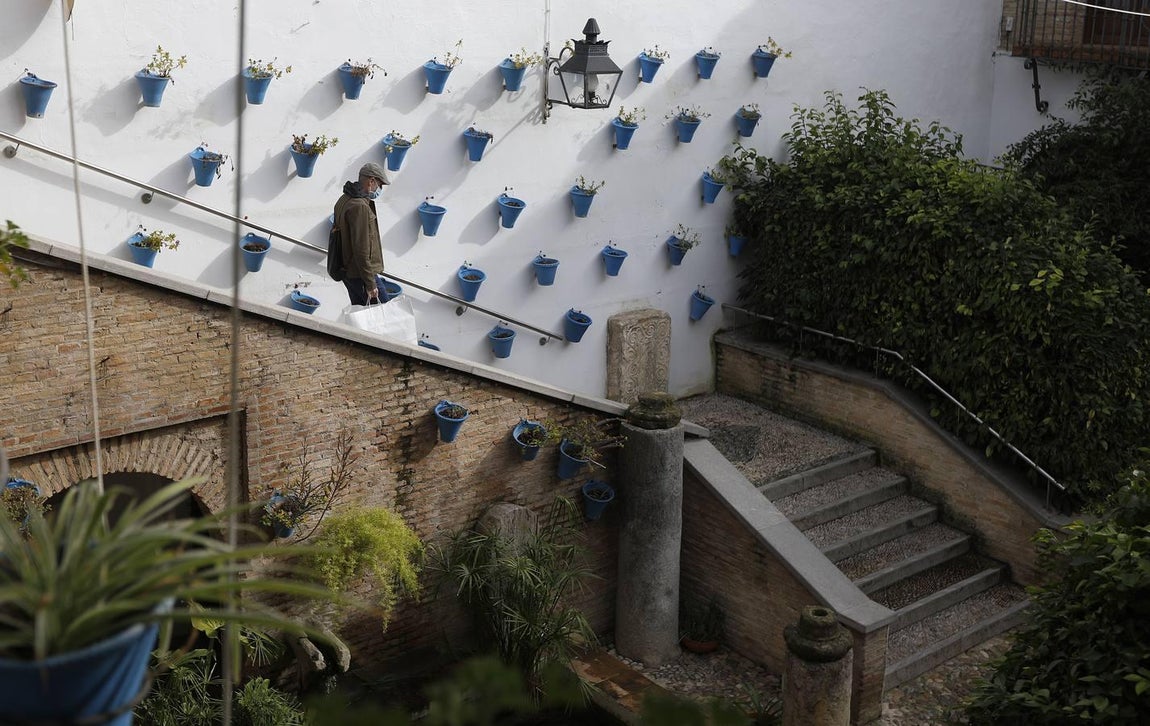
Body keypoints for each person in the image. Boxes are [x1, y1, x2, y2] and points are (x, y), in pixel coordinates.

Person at [334, 162, 389, 305]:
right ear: (371, 181)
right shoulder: (360, 206)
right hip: (361, 274)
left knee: (361, 314)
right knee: (385, 313)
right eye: (380, 184)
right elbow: (361, 248)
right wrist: (371, 283)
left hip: (348, 271)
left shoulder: (344, 199)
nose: (380, 189)